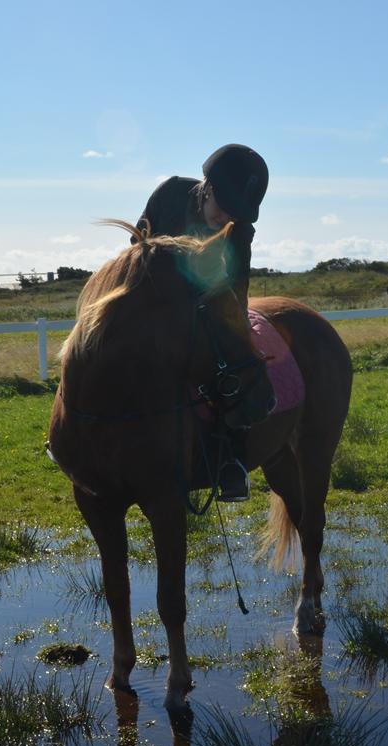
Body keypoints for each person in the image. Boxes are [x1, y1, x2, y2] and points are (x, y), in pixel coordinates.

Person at [135, 144, 269, 502]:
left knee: (232, 373)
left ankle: (232, 463)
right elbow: (135, 251)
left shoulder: (239, 230)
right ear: (206, 188)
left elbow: (237, 290)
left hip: (206, 311)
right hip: (153, 304)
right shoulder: (169, 194)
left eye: (235, 215)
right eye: (223, 208)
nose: (225, 219)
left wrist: (233, 331)